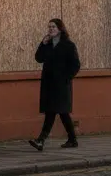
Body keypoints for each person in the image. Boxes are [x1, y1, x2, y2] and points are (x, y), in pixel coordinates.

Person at [29, 18, 81, 150]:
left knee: (54, 112)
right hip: (49, 84)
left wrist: (66, 78)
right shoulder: (48, 44)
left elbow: (76, 65)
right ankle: (72, 140)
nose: (50, 29)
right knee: (59, 112)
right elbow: (39, 58)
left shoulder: (68, 45)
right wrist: (42, 44)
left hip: (62, 85)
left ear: (60, 29)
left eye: (53, 27)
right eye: (49, 27)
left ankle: (41, 140)